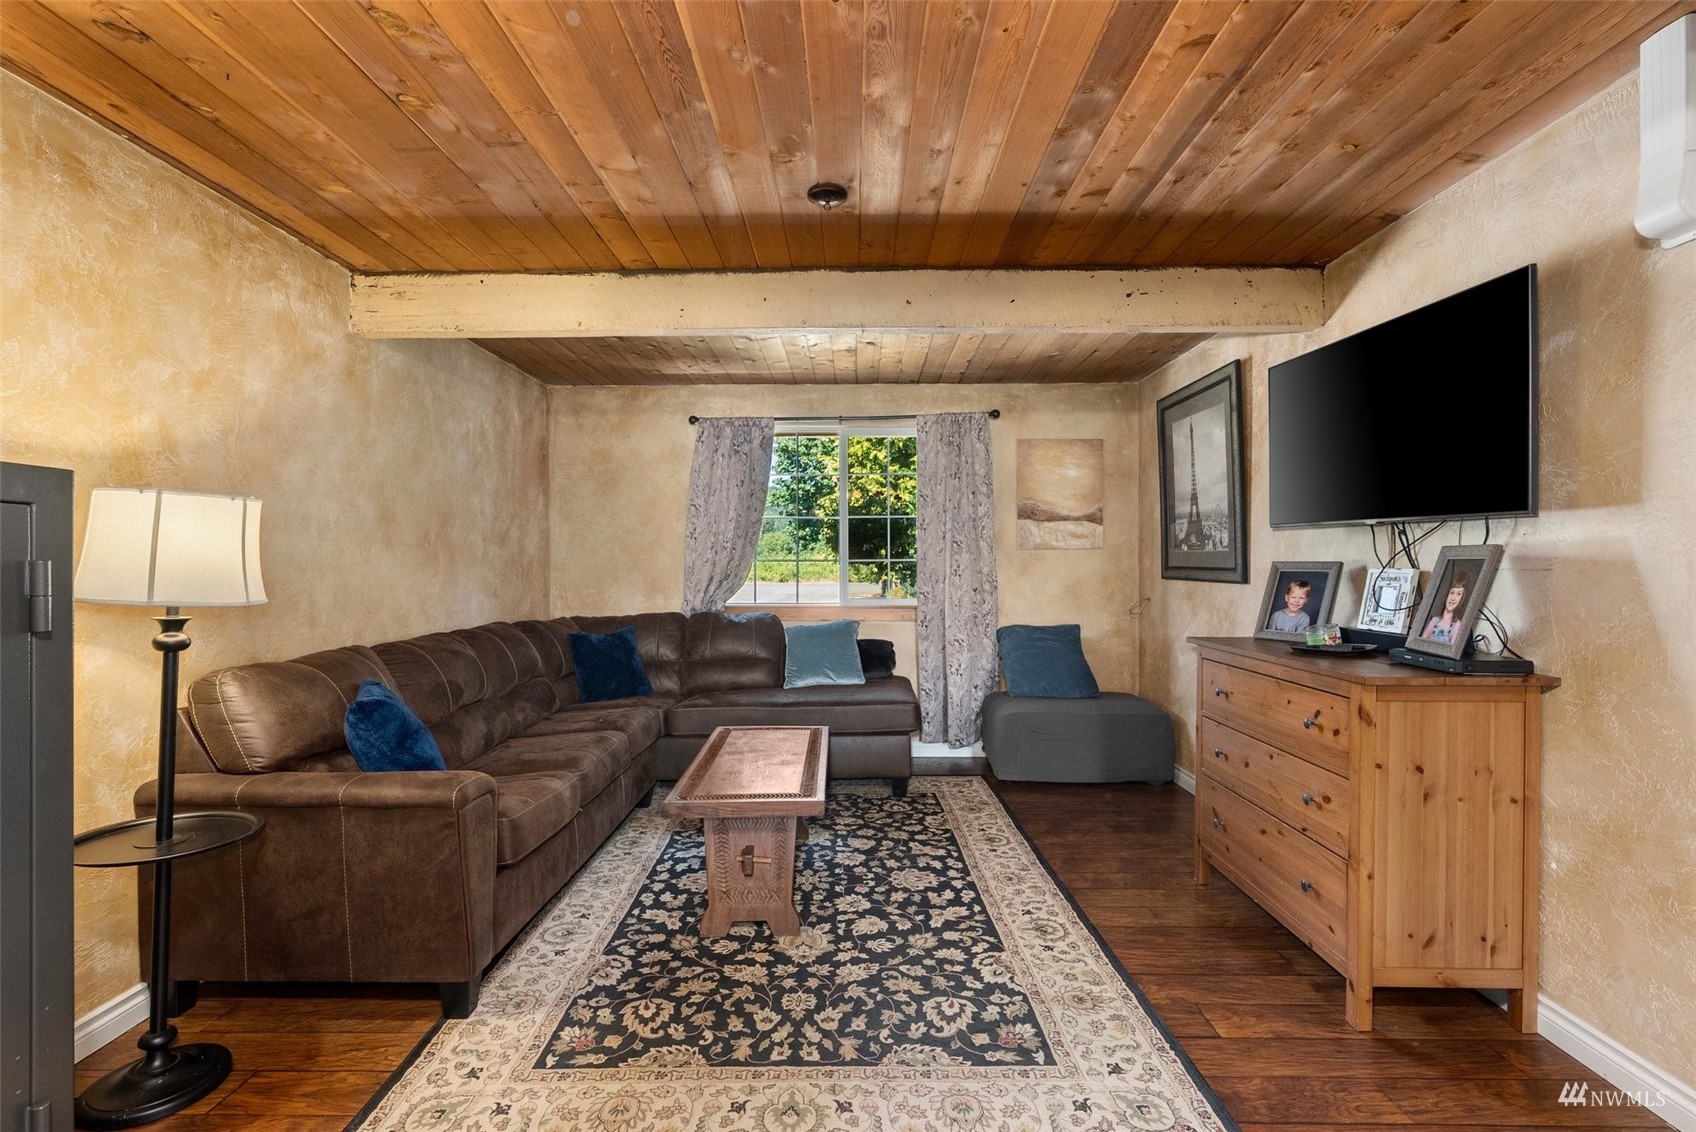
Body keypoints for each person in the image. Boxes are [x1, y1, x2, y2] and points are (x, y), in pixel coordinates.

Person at [1422, 570, 1472, 643]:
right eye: (1452, 593)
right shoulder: (1434, 621)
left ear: (1462, 599)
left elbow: (1452, 649)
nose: (1453, 598)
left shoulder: (1457, 625)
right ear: (1447, 595)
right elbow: (1422, 642)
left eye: (1458, 594)